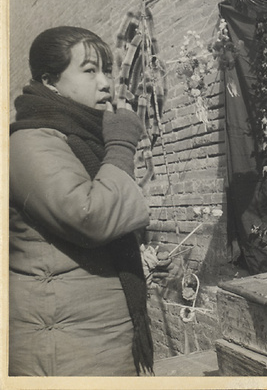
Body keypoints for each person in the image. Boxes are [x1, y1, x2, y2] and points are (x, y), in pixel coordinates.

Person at [9, 26, 169, 376]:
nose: (106, 83)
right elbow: (91, 217)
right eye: (90, 70)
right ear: (50, 82)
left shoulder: (78, 135)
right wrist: (122, 146)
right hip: (66, 350)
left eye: (107, 70)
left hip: (97, 336)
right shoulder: (29, 143)